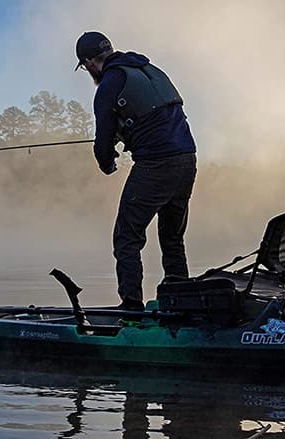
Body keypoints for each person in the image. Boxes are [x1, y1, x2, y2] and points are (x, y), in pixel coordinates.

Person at [74, 31, 198, 311]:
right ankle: (180, 304)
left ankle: (131, 308)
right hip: (187, 159)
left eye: (85, 67)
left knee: (126, 237)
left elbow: (102, 142)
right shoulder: (148, 69)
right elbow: (153, 117)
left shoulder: (109, 83)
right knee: (172, 237)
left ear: (89, 62)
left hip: (156, 164)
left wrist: (107, 164)